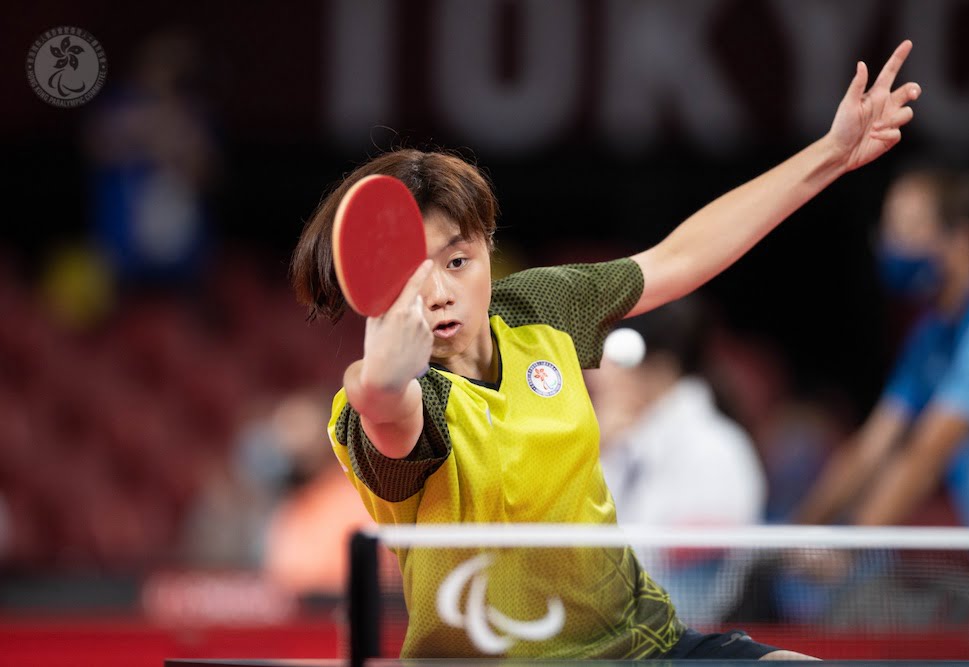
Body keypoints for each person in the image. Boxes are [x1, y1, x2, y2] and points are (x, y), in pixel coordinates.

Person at [290, 41, 920, 660]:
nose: (438, 293)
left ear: (488, 250)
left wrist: (831, 153)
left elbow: (678, 259)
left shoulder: (538, 308)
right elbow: (384, 408)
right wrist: (382, 375)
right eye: (413, 273)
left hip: (644, 646)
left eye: (458, 261)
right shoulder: (411, 399)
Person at [794, 166, 969, 613]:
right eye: (888, 230)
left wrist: (848, 550)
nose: (891, 246)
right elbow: (872, 446)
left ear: (961, 241)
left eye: (908, 230)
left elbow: (927, 452)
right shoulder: (932, 335)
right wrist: (794, 535)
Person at [589, 300, 767, 626]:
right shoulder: (618, 442)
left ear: (659, 368)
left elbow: (696, 586)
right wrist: (593, 451)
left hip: (678, 638)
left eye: (605, 357)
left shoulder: (716, 450)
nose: (593, 373)